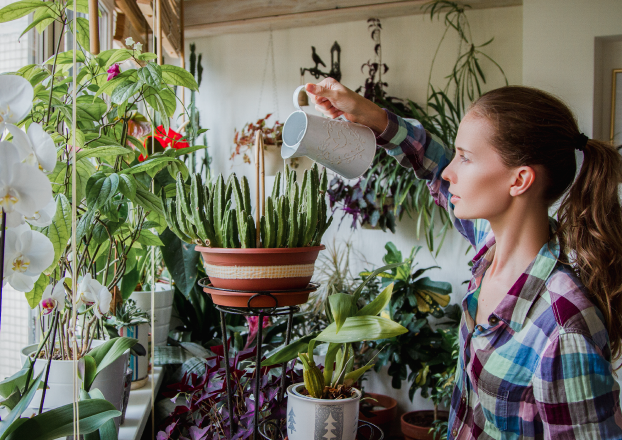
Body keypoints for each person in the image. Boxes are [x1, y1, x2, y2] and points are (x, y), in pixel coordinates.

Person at [305, 78, 622, 439]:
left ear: (519, 180)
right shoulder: (490, 245)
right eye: (457, 155)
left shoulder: (563, 329)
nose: (451, 171)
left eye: (465, 158)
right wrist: (373, 117)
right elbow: (432, 162)